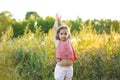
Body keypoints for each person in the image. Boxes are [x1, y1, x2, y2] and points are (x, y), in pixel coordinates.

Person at [54, 13, 77, 80]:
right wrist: (56, 19)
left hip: (69, 68)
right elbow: (55, 28)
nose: (64, 35)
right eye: (61, 34)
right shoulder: (57, 42)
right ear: (58, 35)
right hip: (61, 68)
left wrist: (60, 20)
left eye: (65, 33)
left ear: (68, 34)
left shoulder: (69, 40)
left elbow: (67, 28)